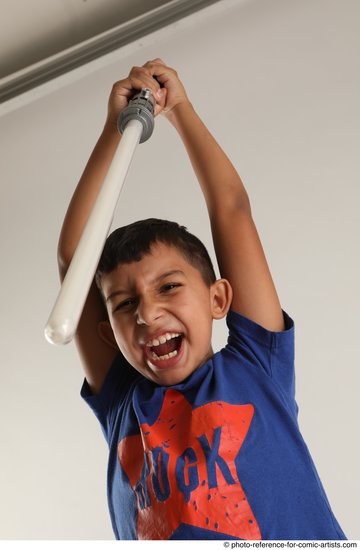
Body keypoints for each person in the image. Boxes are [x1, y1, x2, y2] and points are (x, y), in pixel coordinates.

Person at [57, 59, 346, 540]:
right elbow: (75, 259)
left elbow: (231, 207)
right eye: (125, 305)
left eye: (169, 287)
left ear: (219, 298)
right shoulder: (122, 404)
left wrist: (180, 111)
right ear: (109, 332)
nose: (148, 314)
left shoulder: (256, 365)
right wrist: (115, 129)